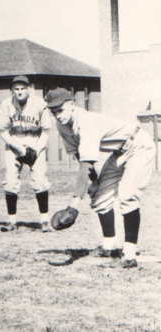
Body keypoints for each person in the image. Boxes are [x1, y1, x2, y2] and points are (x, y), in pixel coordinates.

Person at [47, 88, 155, 268]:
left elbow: (86, 163)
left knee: (128, 196)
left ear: (72, 104)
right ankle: (109, 247)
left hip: (138, 145)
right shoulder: (62, 125)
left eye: (61, 110)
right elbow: (80, 156)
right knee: (100, 196)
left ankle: (129, 255)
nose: (58, 115)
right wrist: (95, 181)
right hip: (119, 151)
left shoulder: (86, 121)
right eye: (54, 112)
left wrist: (74, 205)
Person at [0, 76, 53, 232]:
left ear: (29, 89)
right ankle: (12, 221)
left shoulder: (40, 103)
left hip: (35, 139)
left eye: (23, 88)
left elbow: (46, 131)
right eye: (16, 89)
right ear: (12, 91)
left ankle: (45, 221)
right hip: (14, 140)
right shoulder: (6, 104)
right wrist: (17, 146)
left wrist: (37, 149)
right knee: (10, 181)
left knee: (40, 181)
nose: (19, 92)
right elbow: (2, 130)